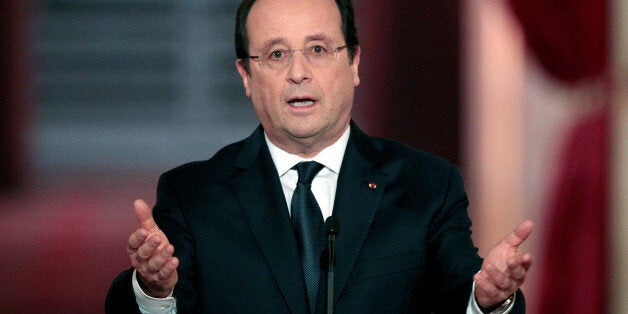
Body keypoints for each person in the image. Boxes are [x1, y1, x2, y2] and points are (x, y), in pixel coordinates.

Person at [106, 0, 533, 312]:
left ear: (354, 64)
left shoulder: (427, 185)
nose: (298, 72)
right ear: (246, 77)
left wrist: (488, 299)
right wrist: (154, 291)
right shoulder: (193, 194)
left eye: (318, 49)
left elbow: (462, 292)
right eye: (276, 54)